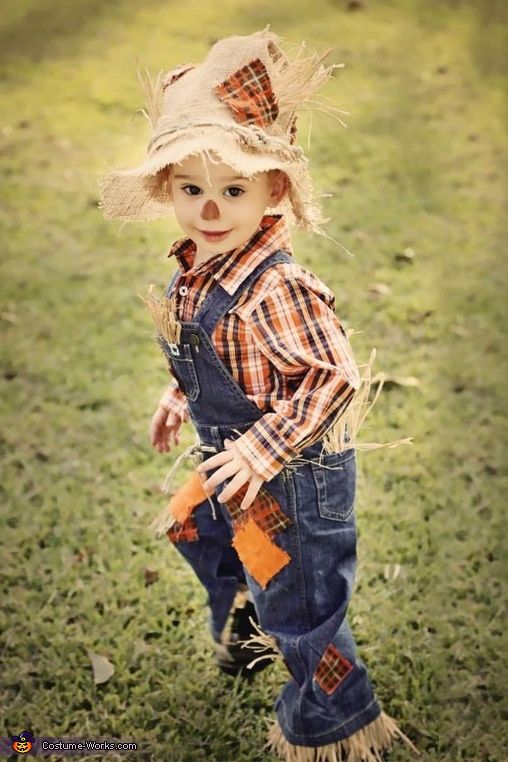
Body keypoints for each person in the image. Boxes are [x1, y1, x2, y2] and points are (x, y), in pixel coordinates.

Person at [99, 29, 419, 762]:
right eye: (192, 189)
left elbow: (332, 376)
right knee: (193, 526)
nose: (209, 209)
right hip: (233, 464)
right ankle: (246, 626)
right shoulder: (201, 269)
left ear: (273, 189)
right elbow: (220, 361)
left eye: (232, 190)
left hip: (294, 479)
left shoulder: (276, 285)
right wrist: (180, 397)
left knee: (302, 604)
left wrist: (261, 446)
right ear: (169, 189)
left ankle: (334, 730)